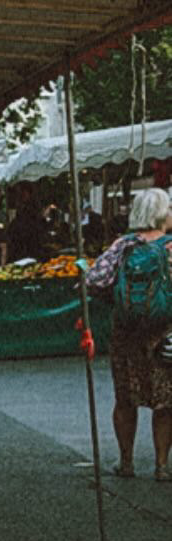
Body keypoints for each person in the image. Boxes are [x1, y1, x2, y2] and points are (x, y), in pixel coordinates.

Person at [94, 188, 172, 482]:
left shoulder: (122, 246)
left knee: (126, 398)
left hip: (125, 335)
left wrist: (119, 302)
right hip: (164, 335)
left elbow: (94, 280)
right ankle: (162, 465)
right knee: (165, 401)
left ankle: (126, 462)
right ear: (162, 214)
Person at [4, 186, 48, 264]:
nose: (21, 195)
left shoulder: (32, 212)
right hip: (23, 249)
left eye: (23, 193)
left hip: (31, 247)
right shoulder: (22, 212)